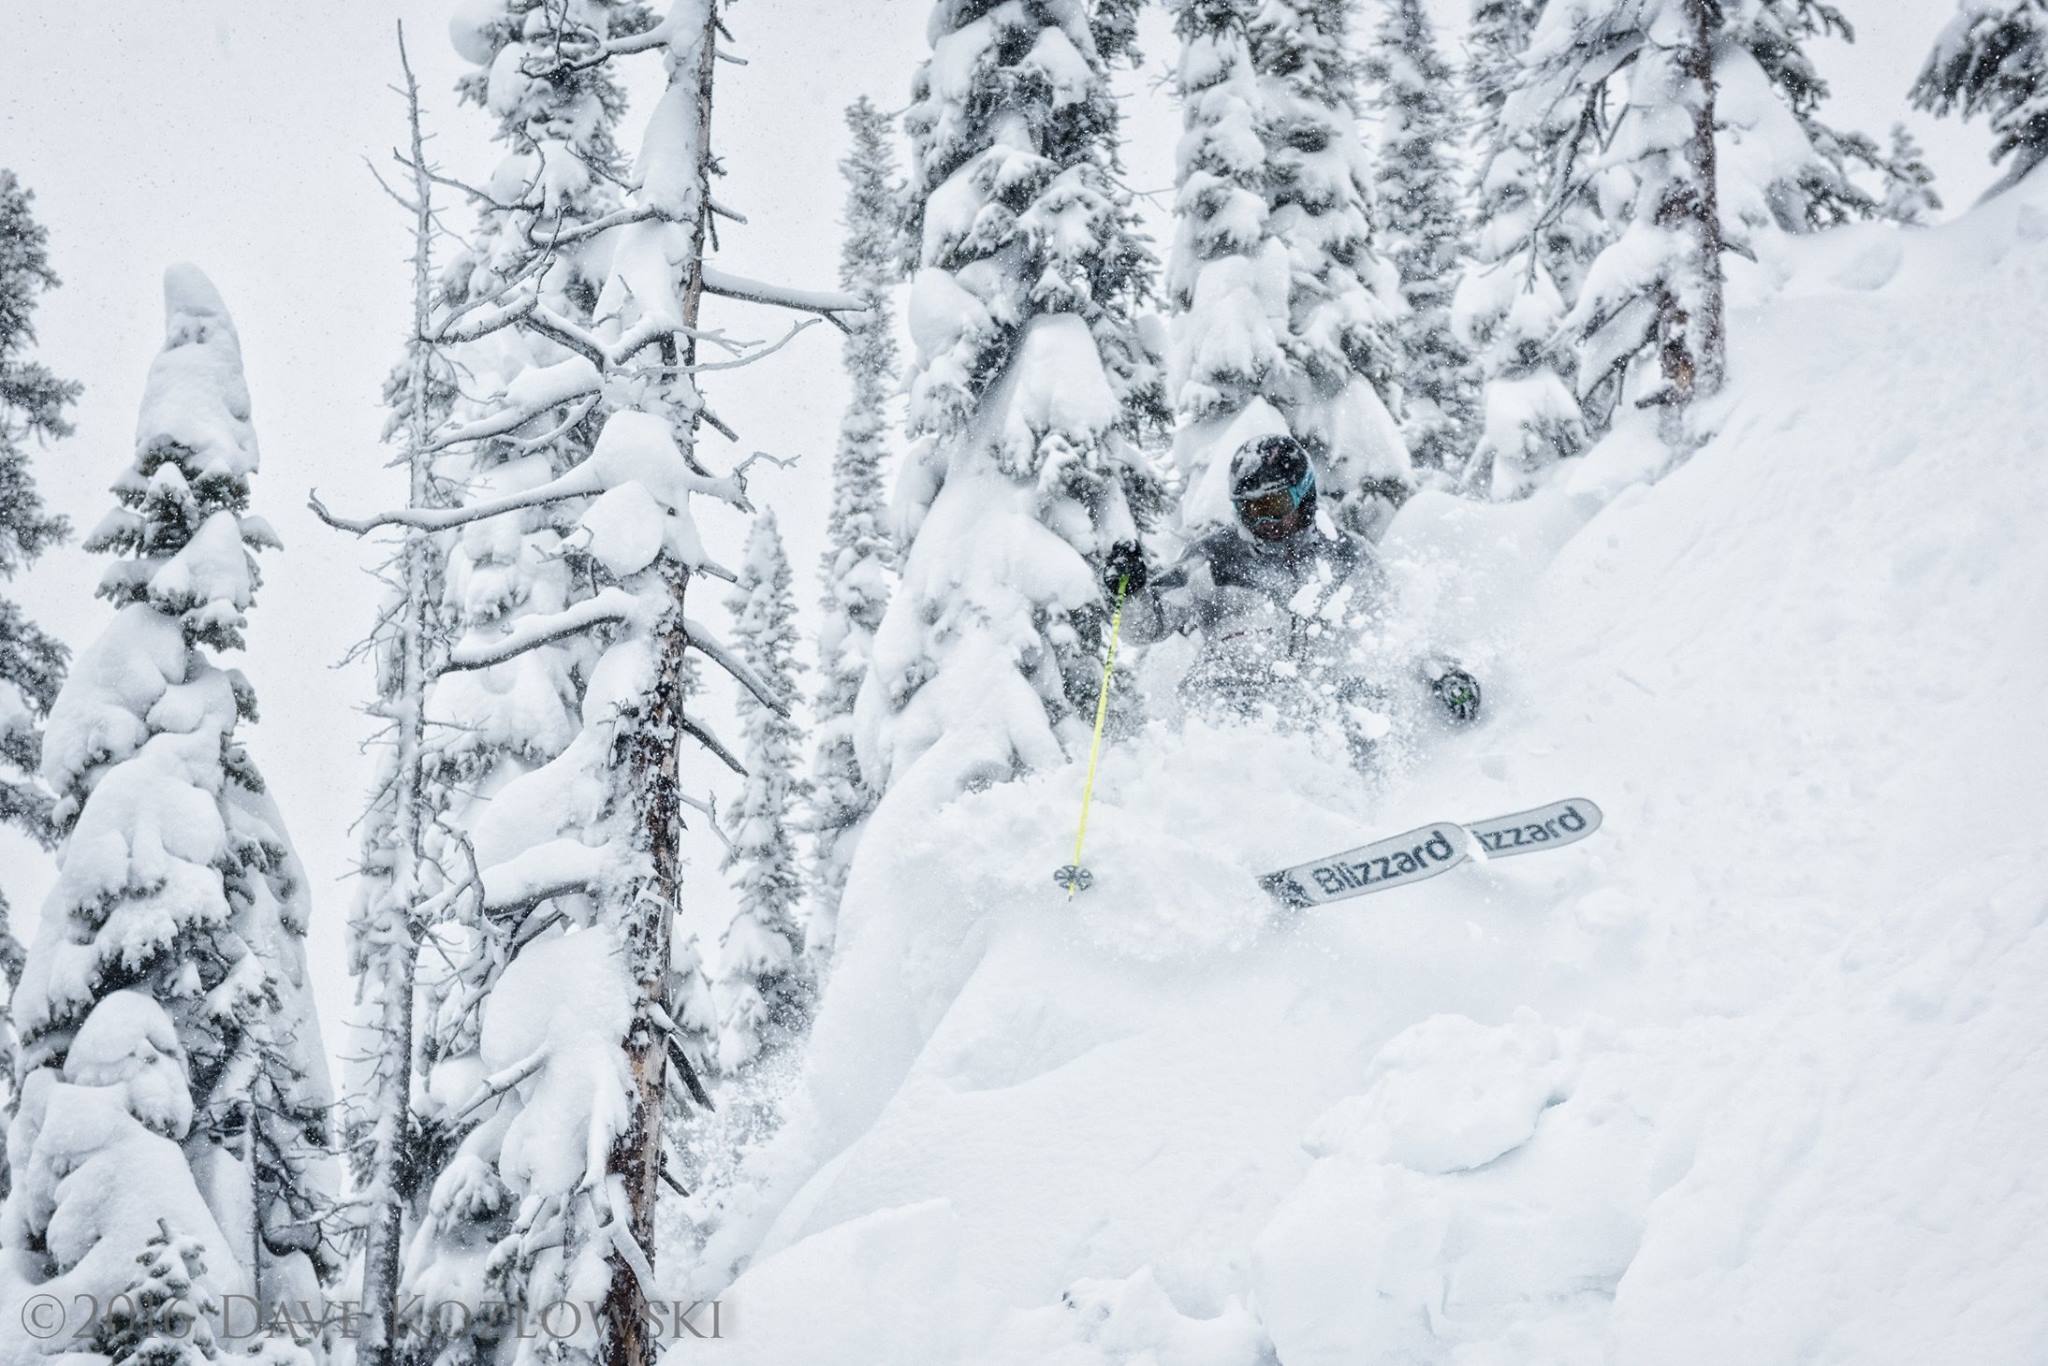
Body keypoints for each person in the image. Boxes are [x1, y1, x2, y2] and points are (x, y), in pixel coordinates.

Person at [1101, 435, 1480, 750]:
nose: (1263, 520)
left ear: (1304, 495)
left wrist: (1440, 674)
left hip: (1323, 715)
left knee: (1365, 700)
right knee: (1239, 666)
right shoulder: (1215, 559)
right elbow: (1146, 627)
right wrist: (1131, 592)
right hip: (1234, 716)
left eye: (1273, 505)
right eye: (1249, 510)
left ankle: (1369, 820)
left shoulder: (1349, 557)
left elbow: (1395, 634)